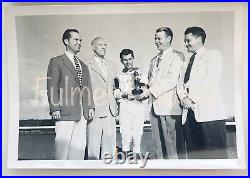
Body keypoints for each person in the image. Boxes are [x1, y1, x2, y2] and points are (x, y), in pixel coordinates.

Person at [177, 26, 227, 159]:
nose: (185, 43)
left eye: (188, 40)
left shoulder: (213, 55)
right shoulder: (186, 62)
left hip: (209, 116)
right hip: (189, 117)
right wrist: (183, 98)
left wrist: (191, 98)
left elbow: (210, 80)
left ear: (199, 39)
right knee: (196, 159)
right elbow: (180, 84)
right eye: (185, 41)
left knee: (215, 158)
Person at [47, 28, 95, 160]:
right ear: (66, 41)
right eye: (76, 39)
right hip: (64, 113)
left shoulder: (83, 66)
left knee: (78, 153)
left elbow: (87, 88)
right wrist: (55, 109)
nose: (79, 42)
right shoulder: (56, 61)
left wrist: (90, 106)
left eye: (80, 40)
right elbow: (52, 87)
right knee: (61, 154)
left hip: (82, 114)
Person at [141, 27, 185, 159]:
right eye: (155, 38)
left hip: (169, 109)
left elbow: (171, 80)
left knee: (173, 149)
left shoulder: (177, 56)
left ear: (169, 38)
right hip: (154, 109)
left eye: (159, 38)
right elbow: (150, 81)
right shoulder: (154, 60)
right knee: (159, 148)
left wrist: (150, 91)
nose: (156, 41)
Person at [87, 37, 119, 160]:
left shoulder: (112, 65)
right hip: (94, 109)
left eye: (105, 44)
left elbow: (115, 87)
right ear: (93, 47)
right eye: (100, 45)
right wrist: (89, 106)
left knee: (110, 147)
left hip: (111, 110)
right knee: (93, 147)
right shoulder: (86, 64)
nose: (103, 47)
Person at [113, 49, 148, 157]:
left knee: (137, 130)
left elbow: (145, 90)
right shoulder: (118, 76)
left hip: (137, 105)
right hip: (124, 105)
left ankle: (137, 152)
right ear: (121, 61)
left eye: (130, 59)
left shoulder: (141, 74)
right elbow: (116, 92)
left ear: (133, 58)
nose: (128, 62)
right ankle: (125, 152)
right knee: (125, 130)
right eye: (125, 60)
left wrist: (141, 95)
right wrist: (124, 95)